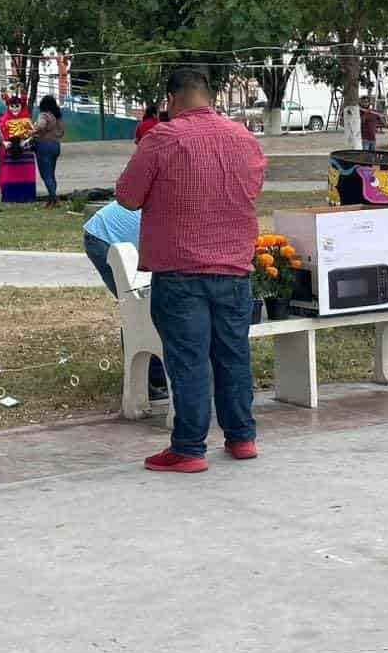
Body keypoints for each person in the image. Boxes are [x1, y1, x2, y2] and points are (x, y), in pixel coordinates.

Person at [116, 66, 267, 473]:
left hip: (180, 268)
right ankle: (242, 438)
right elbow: (253, 188)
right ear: (210, 95)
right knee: (234, 355)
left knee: (188, 360)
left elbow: (128, 197)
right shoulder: (243, 137)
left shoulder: (162, 138)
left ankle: (188, 448)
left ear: (171, 100)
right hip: (234, 266)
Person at [83, 200, 168, 401]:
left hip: (117, 233)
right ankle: (149, 380)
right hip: (104, 237)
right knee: (139, 308)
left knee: (148, 306)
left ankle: (157, 376)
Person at [33, 94, 65, 208]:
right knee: (51, 174)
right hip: (56, 145)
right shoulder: (58, 116)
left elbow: (41, 126)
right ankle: (52, 200)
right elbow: (62, 132)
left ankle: (54, 199)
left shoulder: (44, 115)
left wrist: (33, 130)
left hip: (44, 145)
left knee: (45, 175)